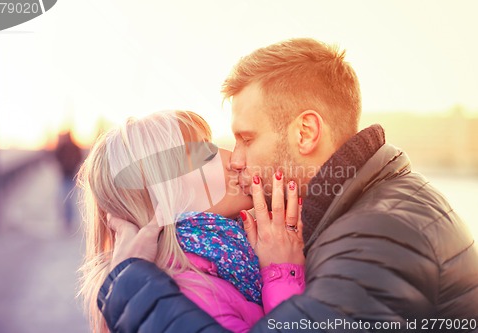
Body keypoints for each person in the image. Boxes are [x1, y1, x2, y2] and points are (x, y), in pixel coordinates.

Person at [97, 39, 478, 332]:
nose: (237, 158)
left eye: (246, 138)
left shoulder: (380, 236)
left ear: (306, 132)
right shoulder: (350, 212)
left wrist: (131, 287)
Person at [77, 110, 305, 333]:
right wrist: (283, 274)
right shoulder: (193, 294)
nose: (233, 159)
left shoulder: (227, 262)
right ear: (162, 194)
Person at [54, 130, 83, 230]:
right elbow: (56, 156)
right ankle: (67, 221)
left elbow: (79, 157)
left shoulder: (74, 147)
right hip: (65, 176)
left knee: (69, 200)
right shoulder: (64, 147)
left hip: (71, 176)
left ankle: (69, 221)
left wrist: (73, 165)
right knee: (65, 199)